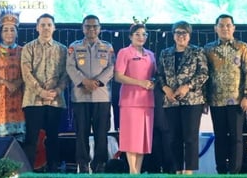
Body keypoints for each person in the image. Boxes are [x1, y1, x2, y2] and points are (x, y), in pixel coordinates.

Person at [204, 14, 247, 174]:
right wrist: (204, 99)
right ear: (215, 28)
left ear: (234, 28)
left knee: (236, 138)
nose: (225, 28)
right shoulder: (208, 49)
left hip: (237, 100)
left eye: (228, 25)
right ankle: (220, 171)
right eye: (221, 25)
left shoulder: (242, 47)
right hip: (216, 100)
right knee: (219, 137)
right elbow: (204, 75)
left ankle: (234, 172)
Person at [156, 20, 209, 175]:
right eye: (178, 32)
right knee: (173, 137)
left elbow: (204, 73)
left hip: (192, 100)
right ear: (173, 35)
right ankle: (177, 169)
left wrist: (188, 86)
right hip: (171, 100)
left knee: (190, 137)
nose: (181, 36)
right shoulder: (165, 53)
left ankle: (189, 170)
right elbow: (159, 75)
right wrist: (165, 88)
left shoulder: (197, 51)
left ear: (189, 35)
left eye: (184, 33)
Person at [65, 15, 114, 173]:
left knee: (101, 133)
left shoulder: (107, 47)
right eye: (88, 26)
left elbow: (112, 67)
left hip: (101, 96)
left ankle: (100, 164)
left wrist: (97, 82)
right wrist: (84, 81)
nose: (91, 29)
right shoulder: (74, 47)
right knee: (81, 133)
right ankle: (83, 164)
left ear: (100, 28)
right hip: (81, 96)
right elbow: (70, 67)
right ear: (83, 28)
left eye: (94, 26)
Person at [20, 13, 68, 173]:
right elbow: (26, 73)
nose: (46, 28)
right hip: (33, 100)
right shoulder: (28, 48)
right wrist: (41, 91)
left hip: (55, 100)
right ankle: (28, 172)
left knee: (53, 138)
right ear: (37, 27)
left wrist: (57, 90)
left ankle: (53, 170)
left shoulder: (62, 49)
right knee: (31, 139)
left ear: (54, 28)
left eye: (49, 25)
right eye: (43, 25)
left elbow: (65, 74)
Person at [115, 23, 157, 174]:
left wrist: (153, 83)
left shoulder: (150, 54)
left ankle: (137, 171)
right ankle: (132, 171)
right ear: (130, 36)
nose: (141, 37)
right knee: (131, 138)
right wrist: (140, 83)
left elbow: (155, 75)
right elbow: (118, 76)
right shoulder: (124, 52)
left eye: (144, 34)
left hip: (147, 102)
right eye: (137, 34)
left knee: (142, 140)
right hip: (130, 101)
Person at [0, 6, 26, 140]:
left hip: (19, 96)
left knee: (18, 139)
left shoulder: (23, 51)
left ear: (17, 33)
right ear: (1, 33)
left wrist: (18, 82)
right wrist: (5, 82)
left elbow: (28, 72)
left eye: (12, 30)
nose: (9, 33)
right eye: (5, 30)